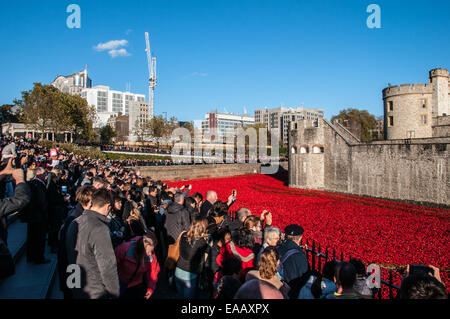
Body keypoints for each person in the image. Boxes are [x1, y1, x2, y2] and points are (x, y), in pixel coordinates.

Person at [65, 188, 120, 299]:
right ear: (108, 206)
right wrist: (114, 293)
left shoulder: (74, 222)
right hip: (96, 291)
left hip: (78, 287)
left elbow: (70, 256)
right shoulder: (100, 228)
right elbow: (108, 267)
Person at [57, 185, 95, 299]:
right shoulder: (75, 222)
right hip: (76, 282)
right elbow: (73, 258)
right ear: (90, 203)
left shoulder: (78, 217)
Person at [115, 232, 160, 299]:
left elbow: (153, 273)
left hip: (136, 284)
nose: (150, 254)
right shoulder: (124, 249)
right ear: (141, 249)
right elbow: (112, 266)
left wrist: (150, 288)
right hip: (120, 282)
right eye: (148, 251)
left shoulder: (151, 256)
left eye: (152, 250)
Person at [174, 217, 210, 299]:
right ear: (204, 227)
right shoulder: (202, 242)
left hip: (178, 270)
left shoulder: (183, 235)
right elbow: (204, 259)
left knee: (179, 296)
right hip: (190, 274)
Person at [25, 167, 50, 264]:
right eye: (44, 173)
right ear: (38, 174)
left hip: (32, 216)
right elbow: (42, 201)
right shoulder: (38, 185)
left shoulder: (31, 183)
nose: (46, 175)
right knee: (39, 238)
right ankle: (39, 257)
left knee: (32, 237)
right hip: (39, 217)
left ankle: (31, 256)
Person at [277, 224, 309, 299]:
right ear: (300, 238)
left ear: (285, 235)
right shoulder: (299, 255)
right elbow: (303, 276)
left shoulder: (278, 247)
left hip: (278, 286)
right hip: (291, 291)